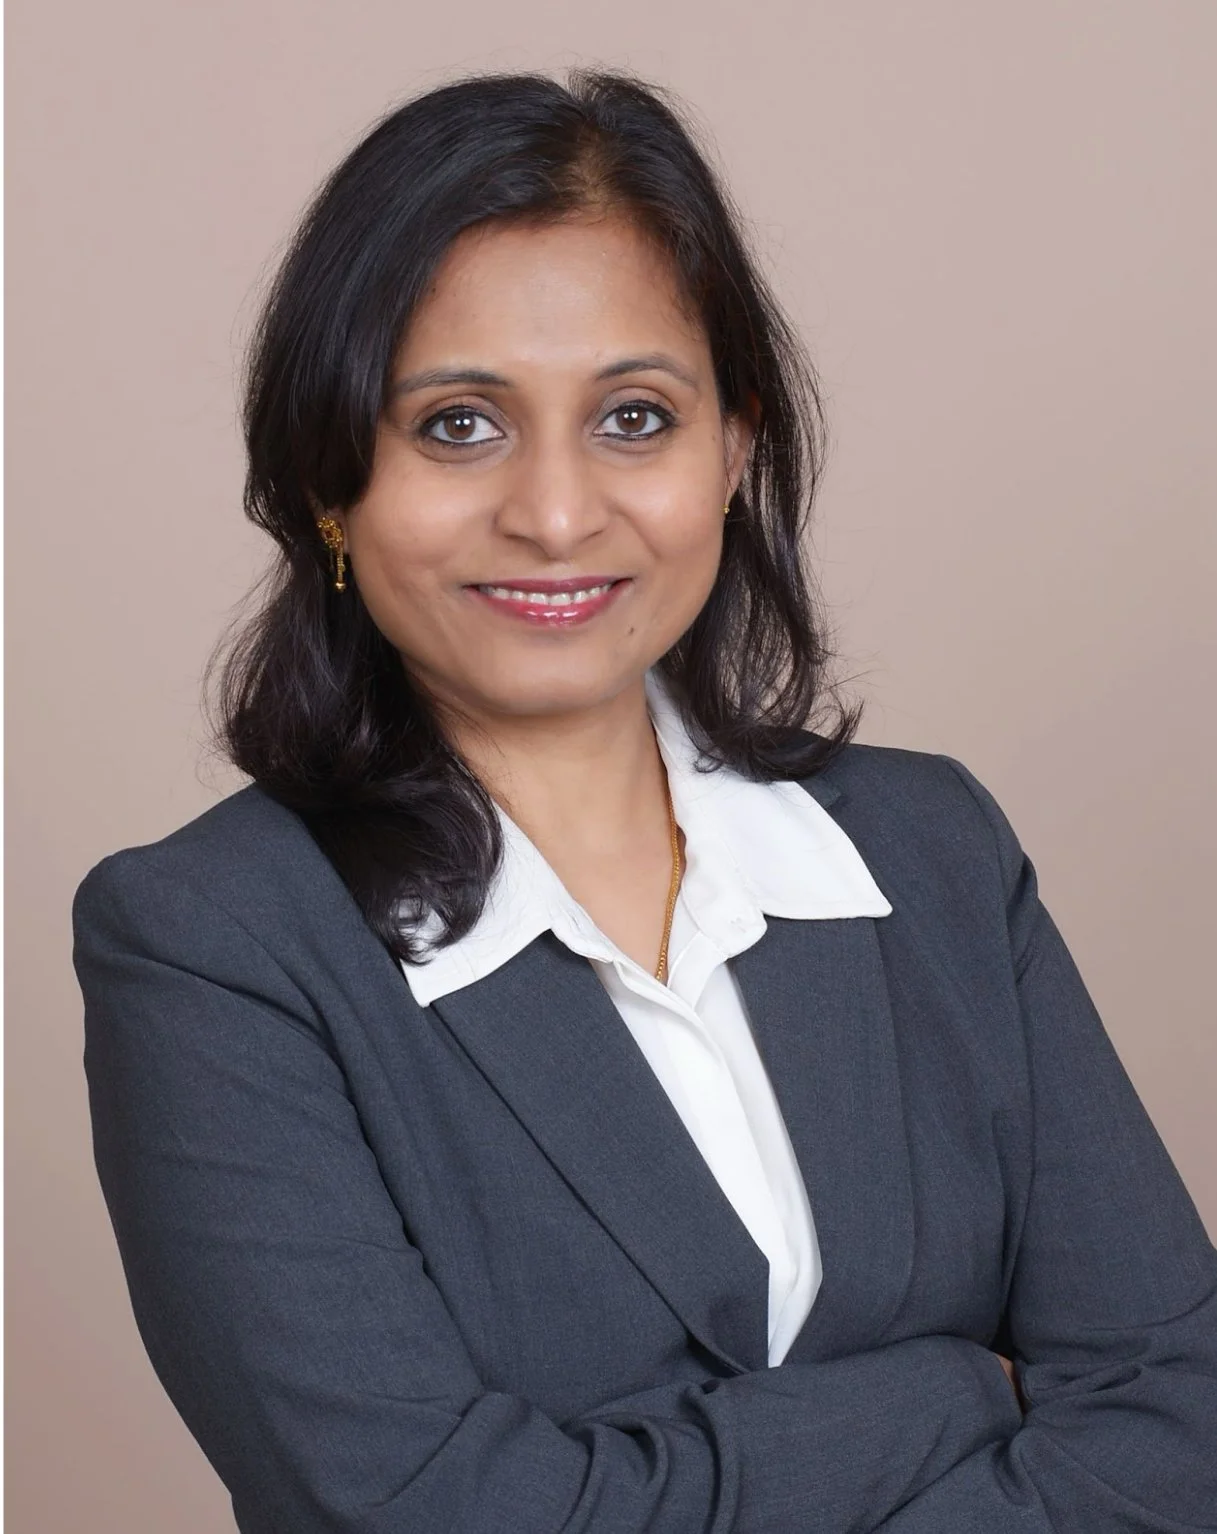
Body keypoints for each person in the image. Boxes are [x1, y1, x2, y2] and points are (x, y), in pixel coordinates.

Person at [72, 68, 1217, 1532]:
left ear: (733, 448)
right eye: (458, 426)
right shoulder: (215, 944)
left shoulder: (933, 854)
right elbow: (432, 1513)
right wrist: (949, 1392)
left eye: (633, 416)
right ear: (324, 479)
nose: (556, 513)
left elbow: (1177, 1415)